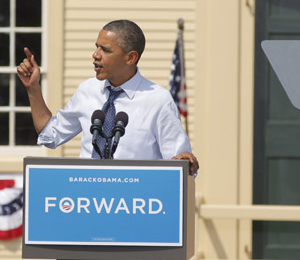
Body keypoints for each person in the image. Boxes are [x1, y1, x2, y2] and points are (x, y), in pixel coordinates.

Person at [16, 19, 199, 176]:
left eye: (105, 50)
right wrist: (33, 89)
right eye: (96, 47)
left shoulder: (158, 100)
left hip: (135, 207)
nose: (95, 55)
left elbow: (179, 163)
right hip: (88, 202)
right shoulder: (87, 90)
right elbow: (50, 135)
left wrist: (186, 161)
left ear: (130, 58)